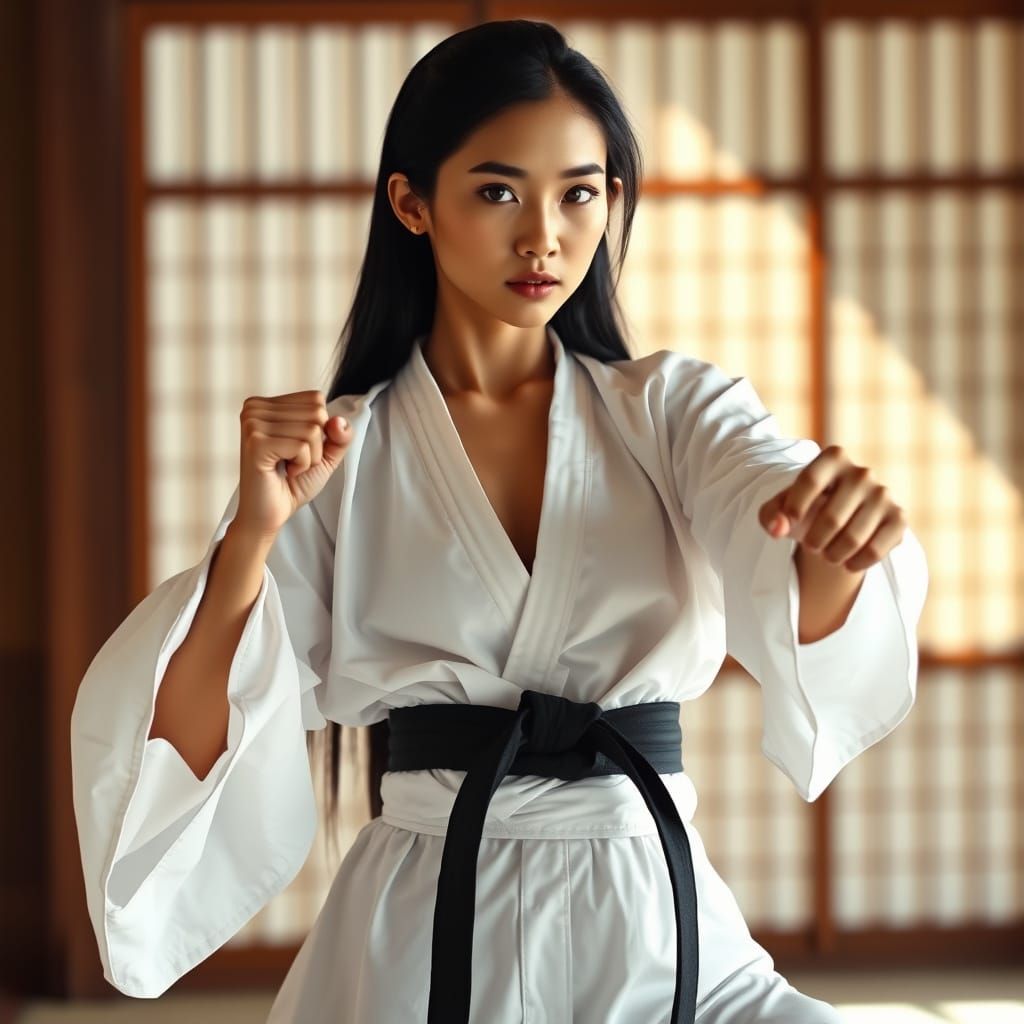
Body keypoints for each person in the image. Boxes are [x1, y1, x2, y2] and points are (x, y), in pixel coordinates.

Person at [70, 19, 929, 1024]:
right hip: (428, 915)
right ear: (411, 202)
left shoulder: (672, 412)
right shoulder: (334, 454)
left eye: (579, 192)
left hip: (650, 906)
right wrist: (248, 542)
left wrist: (835, 547)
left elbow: (774, 531)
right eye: (496, 191)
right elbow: (194, 733)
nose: (544, 236)